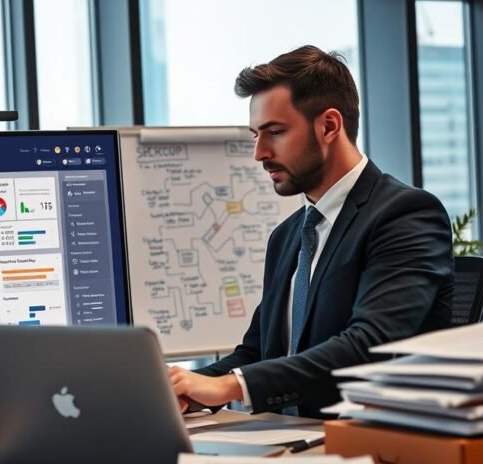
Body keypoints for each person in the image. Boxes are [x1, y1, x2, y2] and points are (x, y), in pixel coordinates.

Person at [169, 45, 454, 418]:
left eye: (275, 132)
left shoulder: (405, 215)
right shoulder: (289, 236)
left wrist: (229, 386)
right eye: (257, 134)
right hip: (279, 441)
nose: (259, 152)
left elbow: (368, 345)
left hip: (358, 446)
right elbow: (255, 353)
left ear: (329, 126)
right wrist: (179, 389)